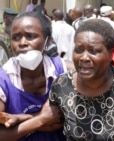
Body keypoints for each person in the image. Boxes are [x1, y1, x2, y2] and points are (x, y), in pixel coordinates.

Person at [30, 19, 114, 140]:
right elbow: (50, 121)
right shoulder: (62, 85)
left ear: (110, 53)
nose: (84, 57)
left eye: (93, 51)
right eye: (79, 50)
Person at [0, 11, 67, 141]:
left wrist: (22, 119)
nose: (22, 43)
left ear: (47, 41)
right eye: (16, 38)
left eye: (30, 36)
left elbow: (67, 117)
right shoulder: (3, 79)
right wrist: (41, 119)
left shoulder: (62, 70)